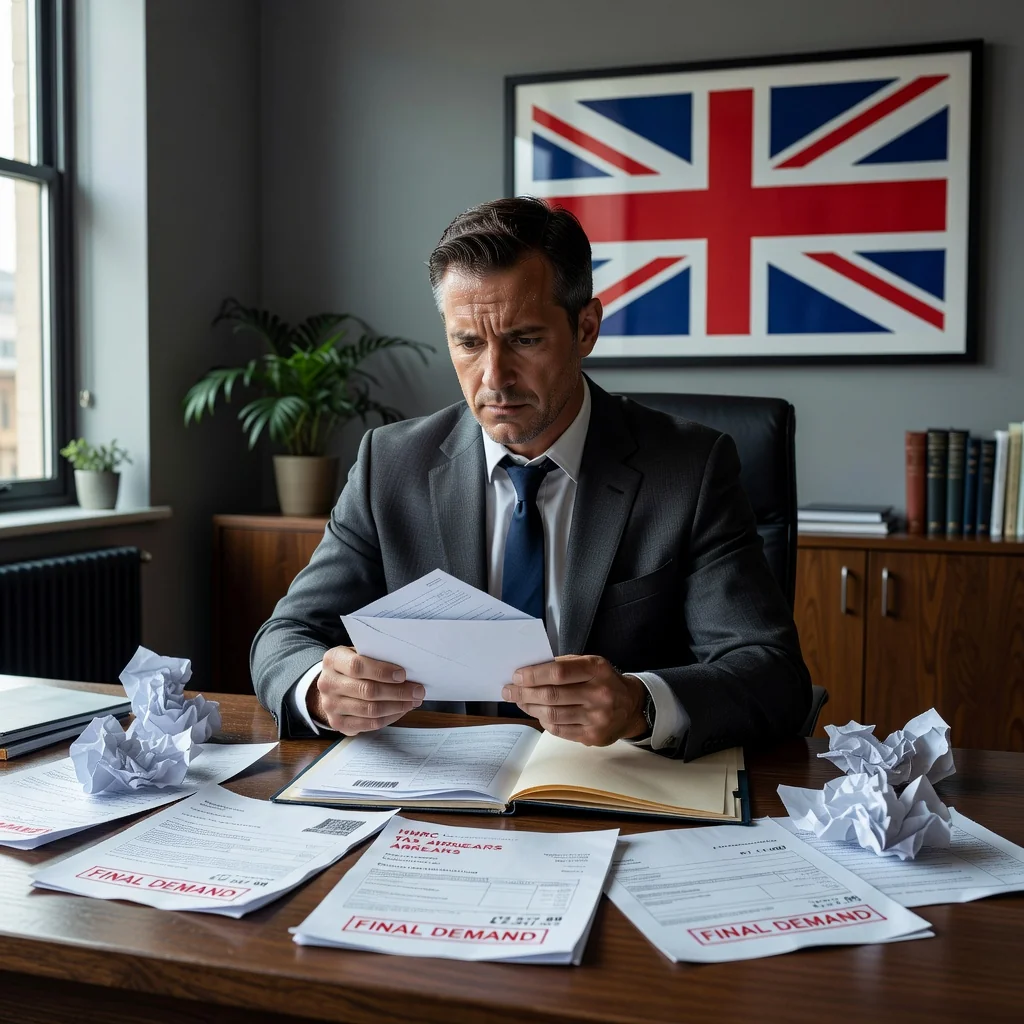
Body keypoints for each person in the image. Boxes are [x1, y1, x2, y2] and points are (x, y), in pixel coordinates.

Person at [251, 197, 810, 760]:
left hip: (618, 790)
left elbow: (771, 673)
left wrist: (640, 703)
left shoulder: (690, 468)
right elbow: (285, 637)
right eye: (468, 343)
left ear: (586, 328)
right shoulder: (391, 464)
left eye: (524, 339)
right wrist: (320, 692)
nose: (495, 378)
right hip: (438, 793)